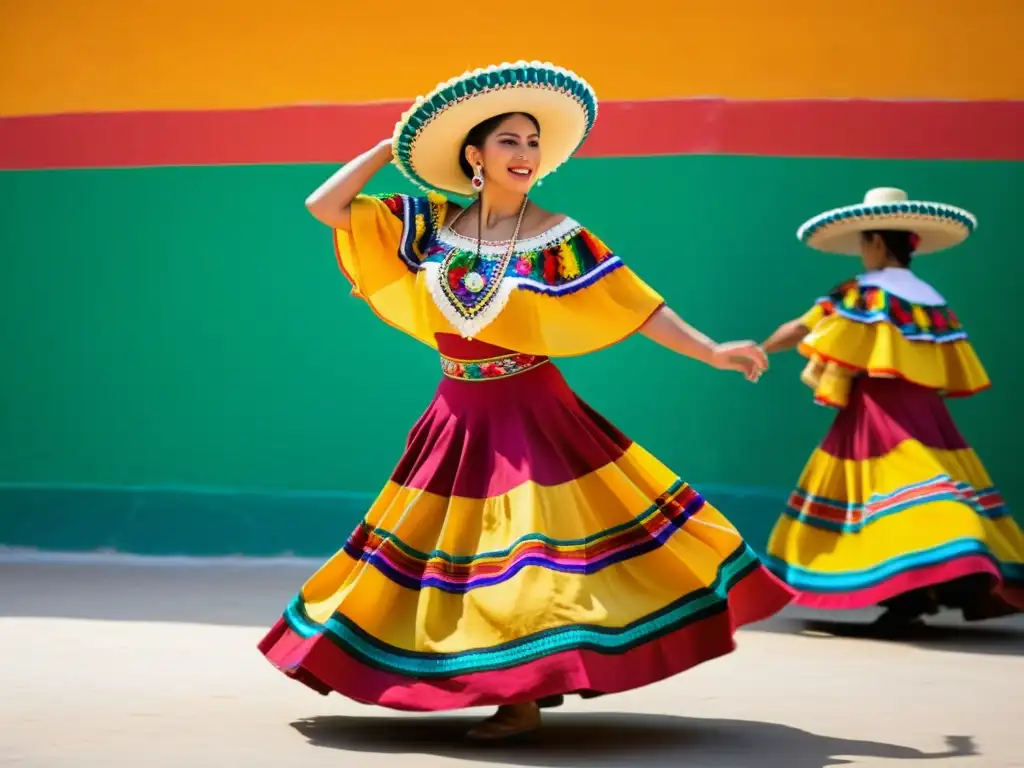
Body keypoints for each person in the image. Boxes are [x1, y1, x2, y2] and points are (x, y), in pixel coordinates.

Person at [259, 61, 793, 741]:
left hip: (533, 410)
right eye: (509, 141)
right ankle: (459, 672)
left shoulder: (560, 236)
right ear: (475, 157)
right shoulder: (425, 223)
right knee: (441, 553)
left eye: (534, 142)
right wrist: (389, 149)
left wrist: (712, 349)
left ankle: (523, 694)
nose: (525, 154)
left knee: (529, 550)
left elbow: (634, 305)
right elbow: (325, 207)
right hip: (456, 411)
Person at [761, 187, 1024, 629]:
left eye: (865, 241)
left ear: (877, 242)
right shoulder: (931, 298)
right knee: (928, 488)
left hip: (877, 412)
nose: (863, 251)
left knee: (890, 496)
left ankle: (955, 562)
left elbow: (803, 327)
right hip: (927, 413)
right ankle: (946, 585)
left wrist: (761, 349)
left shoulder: (861, 293)